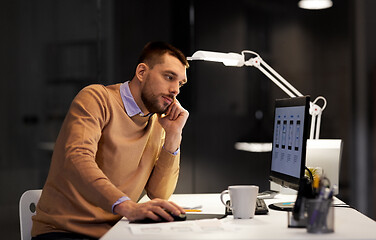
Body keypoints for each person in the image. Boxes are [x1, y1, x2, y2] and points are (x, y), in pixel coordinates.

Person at [31, 41, 190, 240]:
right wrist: (127, 206)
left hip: (117, 232)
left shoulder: (160, 123)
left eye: (180, 83)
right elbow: (77, 159)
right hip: (65, 232)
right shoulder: (96, 99)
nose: (175, 89)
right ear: (141, 72)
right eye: (169, 77)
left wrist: (174, 136)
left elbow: (159, 194)